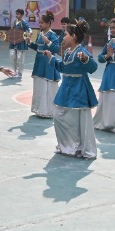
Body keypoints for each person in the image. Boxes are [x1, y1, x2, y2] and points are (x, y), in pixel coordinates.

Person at [44, 20, 99, 159]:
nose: (63, 37)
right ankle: (67, 146)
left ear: (73, 36)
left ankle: (79, 148)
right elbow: (63, 67)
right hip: (66, 88)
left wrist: (86, 59)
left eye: (65, 34)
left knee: (77, 121)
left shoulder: (82, 51)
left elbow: (93, 67)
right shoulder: (68, 52)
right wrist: (51, 58)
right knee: (59, 116)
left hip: (79, 89)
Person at [30, 12, 61, 118]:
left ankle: (48, 111)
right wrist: (29, 43)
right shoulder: (40, 34)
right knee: (39, 86)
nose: (40, 24)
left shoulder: (52, 35)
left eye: (42, 23)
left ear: (48, 23)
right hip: (39, 63)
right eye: (39, 22)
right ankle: (39, 109)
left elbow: (56, 49)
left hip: (48, 64)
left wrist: (48, 42)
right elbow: (38, 48)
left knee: (47, 87)